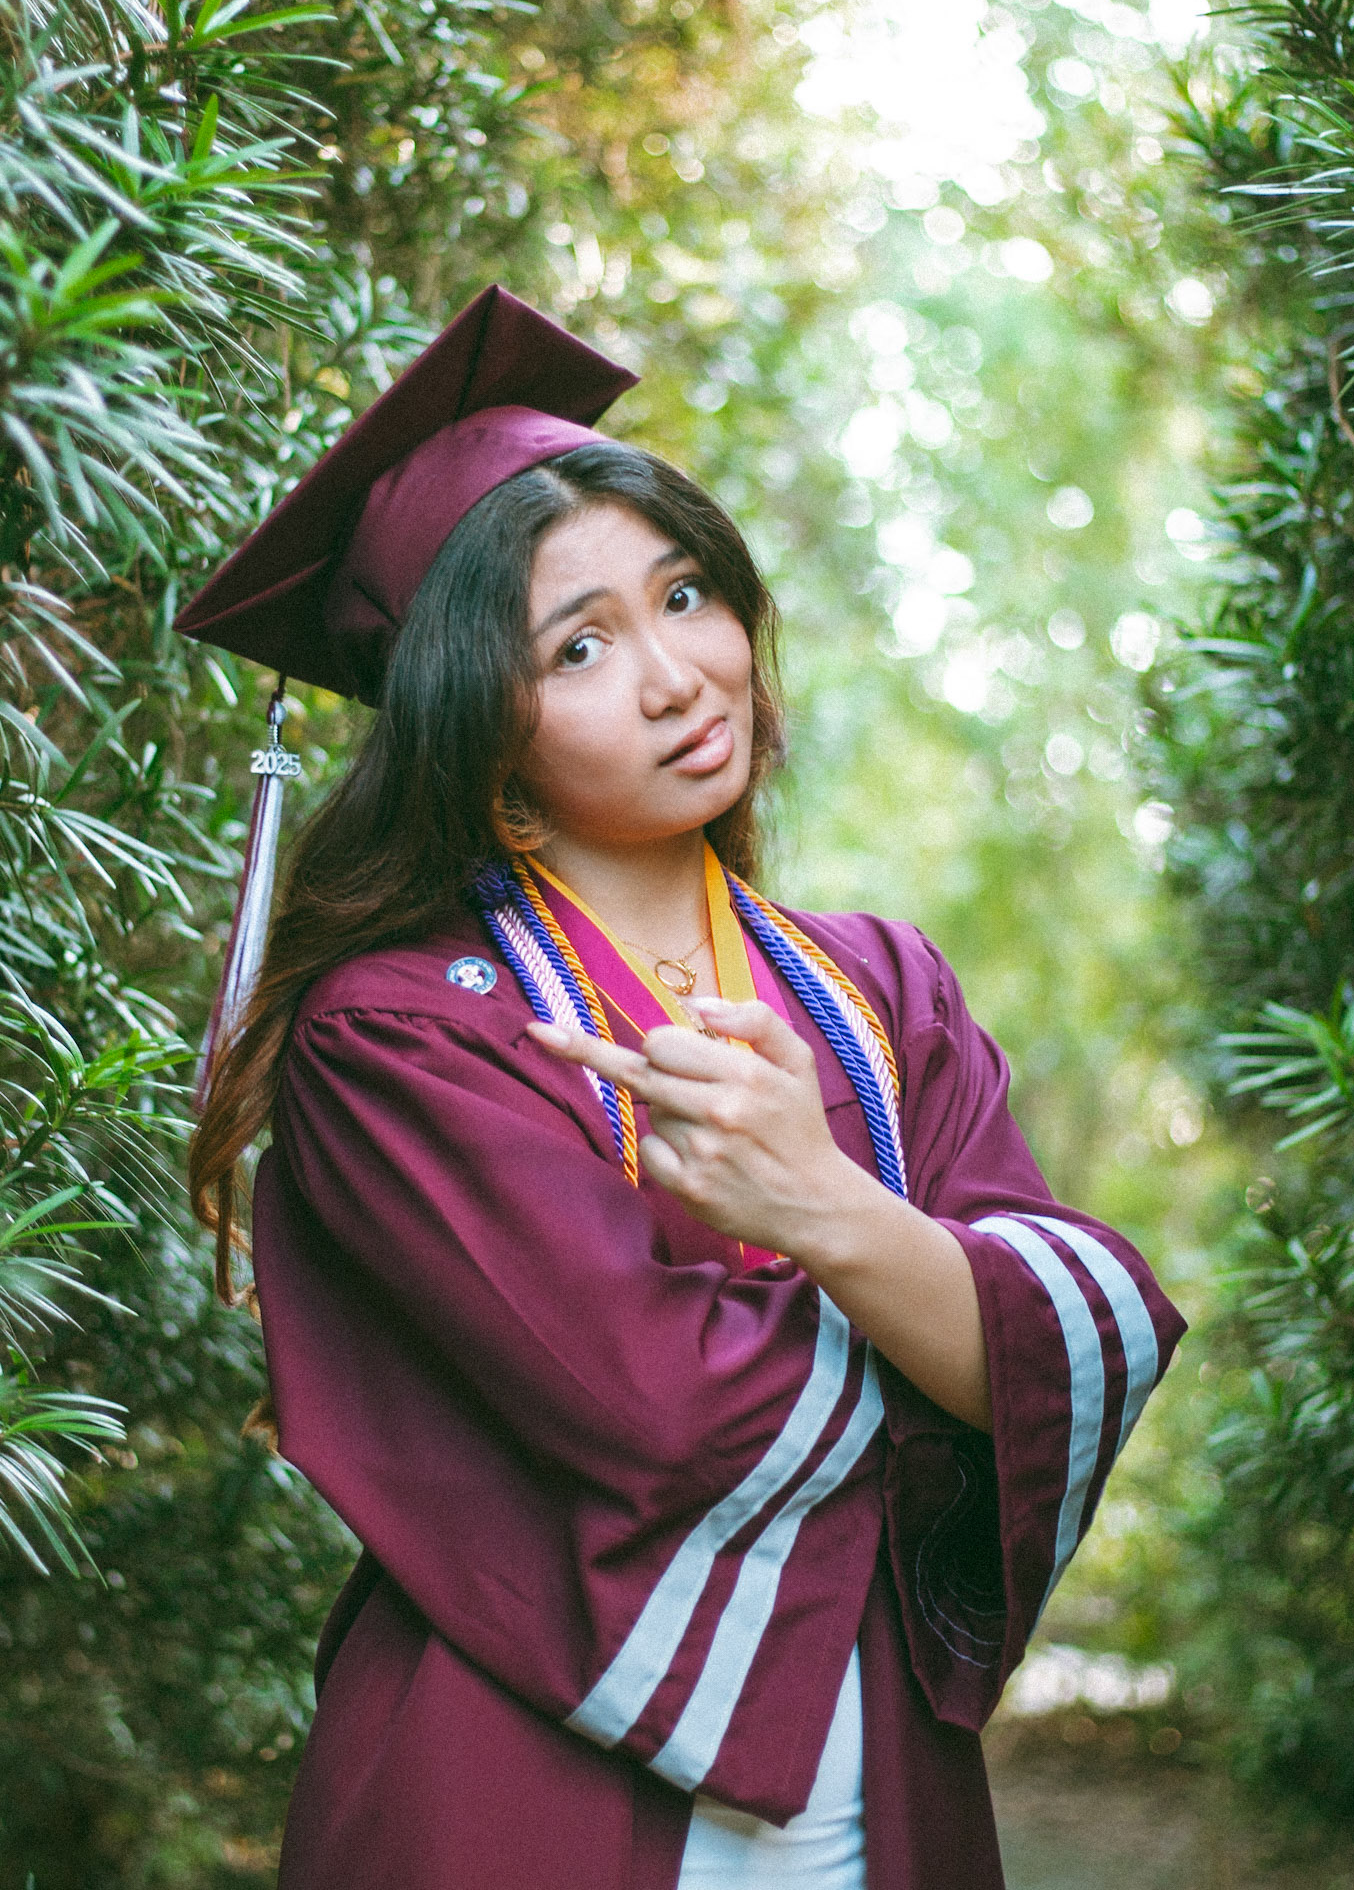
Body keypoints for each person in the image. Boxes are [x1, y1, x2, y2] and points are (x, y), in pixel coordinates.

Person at [180, 286, 1185, 1890]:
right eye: (578, 647)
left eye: (686, 593)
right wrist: (932, 1301)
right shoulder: (399, 1034)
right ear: (476, 729)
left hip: (870, 1772)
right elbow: (668, 1412)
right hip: (508, 1781)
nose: (676, 677)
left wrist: (823, 1211)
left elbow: (1081, 1349)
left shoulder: (881, 986)